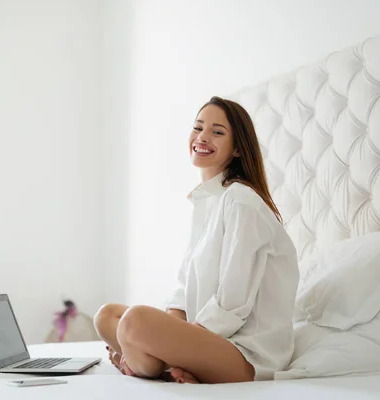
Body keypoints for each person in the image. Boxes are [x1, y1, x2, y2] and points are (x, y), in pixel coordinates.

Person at [93, 96, 299, 384]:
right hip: (207, 339)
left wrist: (173, 339)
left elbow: (233, 302)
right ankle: (155, 363)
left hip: (246, 356)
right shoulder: (207, 201)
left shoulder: (242, 201)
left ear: (238, 148)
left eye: (217, 132)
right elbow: (183, 289)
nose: (202, 137)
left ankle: (148, 364)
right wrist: (172, 331)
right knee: (107, 316)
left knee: (135, 321)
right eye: (198, 127)